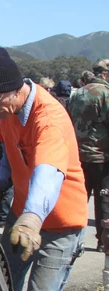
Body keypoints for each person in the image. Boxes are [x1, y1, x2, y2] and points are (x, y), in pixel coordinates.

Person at [0, 48, 87, 291]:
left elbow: (47, 172)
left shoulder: (48, 117)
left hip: (59, 223)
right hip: (21, 214)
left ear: (14, 90)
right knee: (3, 286)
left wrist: (32, 217)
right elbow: (11, 159)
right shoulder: (8, 112)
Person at [68, 60, 109, 252]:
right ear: (105, 75)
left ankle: (71, 238)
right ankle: (104, 241)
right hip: (101, 156)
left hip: (79, 154)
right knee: (104, 200)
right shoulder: (105, 93)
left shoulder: (78, 93)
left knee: (78, 198)